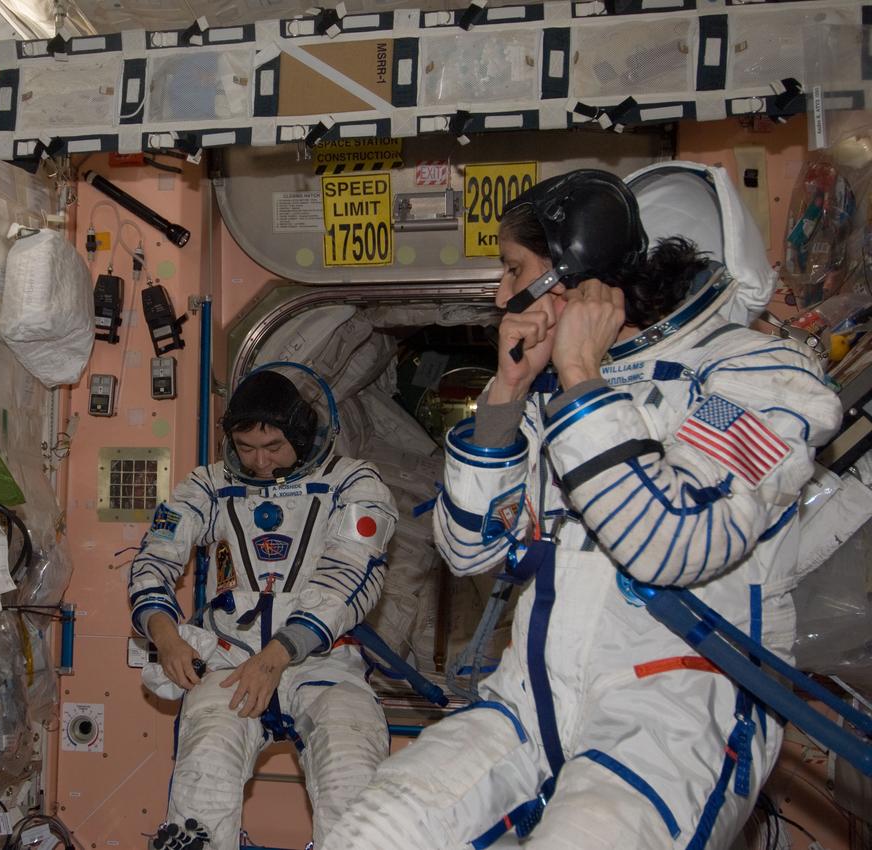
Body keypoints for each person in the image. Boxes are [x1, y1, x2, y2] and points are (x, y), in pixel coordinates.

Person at [322, 169, 844, 849]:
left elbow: (672, 542)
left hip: (672, 713)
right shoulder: (557, 394)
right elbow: (468, 548)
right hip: (533, 699)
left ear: (576, 277)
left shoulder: (756, 377)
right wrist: (509, 390)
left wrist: (580, 379)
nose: (501, 292)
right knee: (370, 833)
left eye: (515, 270)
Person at [128, 364, 399, 850]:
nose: (259, 462)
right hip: (232, 658)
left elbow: (348, 576)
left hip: (321, 661)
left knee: (352, 775)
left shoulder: (353, 483)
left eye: (273, 447)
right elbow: (156, 554)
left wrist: (275, 657)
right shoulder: (209, 486)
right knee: (203, 775)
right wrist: (164, 635)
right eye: (247, 448)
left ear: (300, 432)